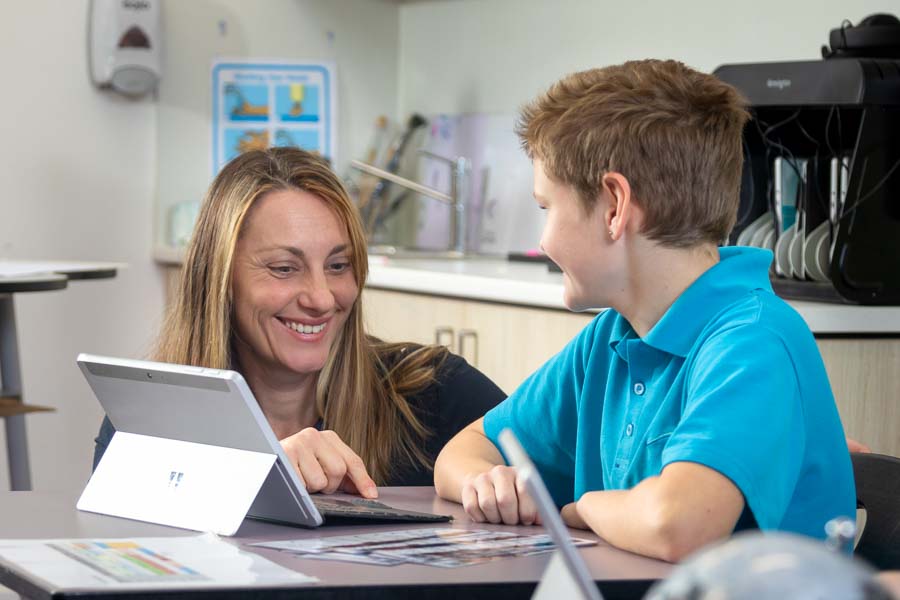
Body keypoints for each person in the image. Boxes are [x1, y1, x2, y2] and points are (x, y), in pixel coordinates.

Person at [434, 59, 856, 562]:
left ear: (614, 205)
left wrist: (581, 507)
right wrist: (489, 482)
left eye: (547, 208)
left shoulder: (755, 340)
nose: (542, 242)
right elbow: (462, 452)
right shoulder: (613, 336)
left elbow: (677, 525)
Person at [93, 147, 505, 494]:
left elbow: (561, 486)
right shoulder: (145, 419)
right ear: (220, 279)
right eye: (284, 268)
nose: (321, 298)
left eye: (338, 265)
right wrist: (258, 481)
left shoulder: (435, 393)